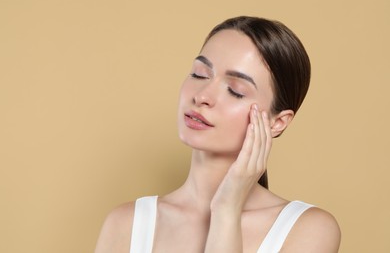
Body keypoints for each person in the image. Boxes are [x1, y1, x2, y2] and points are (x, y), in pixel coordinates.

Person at [94, 16, 341, 253]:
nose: (201, 96)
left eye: (235, 91)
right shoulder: (127, 223)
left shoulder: (308, 229)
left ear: (277, 122)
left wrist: (226, 209)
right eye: (199, 74)